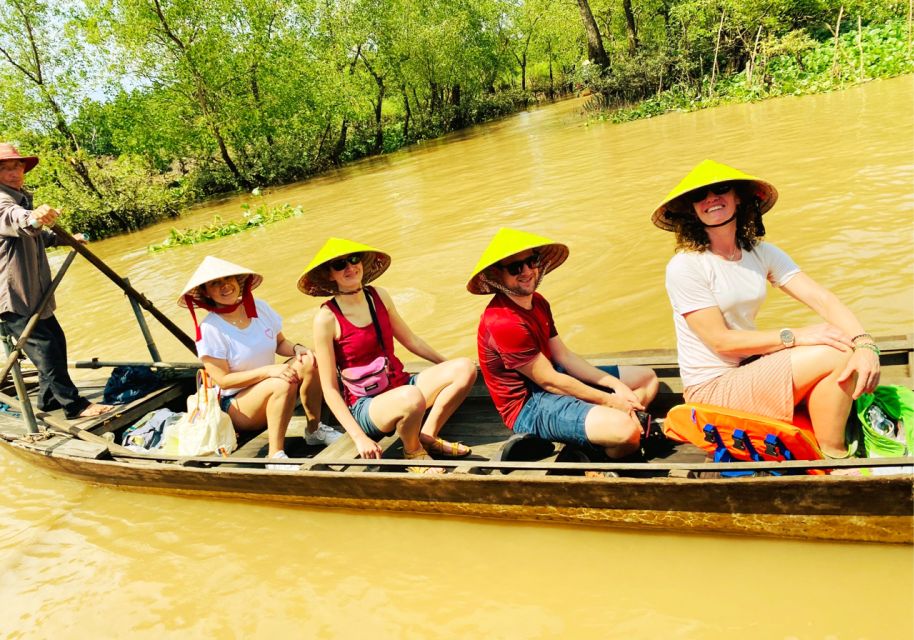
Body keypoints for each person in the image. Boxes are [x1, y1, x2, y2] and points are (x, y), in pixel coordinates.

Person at [652, 159, 880, 458]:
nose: (710, 199)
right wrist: (795, 336)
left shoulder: (759, 253)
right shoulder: (686, 265)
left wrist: (865, 344)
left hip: (749, 368)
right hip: (713, 388)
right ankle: (835, 458)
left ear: (738, 198)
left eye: (720, 189)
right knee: (836, 350)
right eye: (699, 196)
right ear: (692, 209)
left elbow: (821, 298)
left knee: (842, 341)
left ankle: (829, 451)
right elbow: (720, 341)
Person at [468, 228, 659, 460]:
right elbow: (550, 381)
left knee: (647, 379)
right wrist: (611, 401)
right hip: (529, 406)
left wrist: (615, 386)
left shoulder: (537, 302)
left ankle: (587, 439)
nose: (527, 271)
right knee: (627, 432)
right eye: (515, 267)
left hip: (553, 378)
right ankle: (593, 451)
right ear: (496, 277)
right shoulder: (502, 321)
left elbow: (564, 357)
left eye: (532, 261)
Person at [302, 238, 477, 474]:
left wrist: (448, 366)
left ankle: (427, 435)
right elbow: (330, 389)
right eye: (340, 264)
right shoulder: (326, 318)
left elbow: (412, 340)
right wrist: (358, 438)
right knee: (411, 396)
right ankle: (412, 451)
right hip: (367, 406)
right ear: (330, 275)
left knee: (465, 368)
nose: (350, 268)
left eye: (354, 260)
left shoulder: (378, 296)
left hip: (401, 384)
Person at [178, 256, 338, 469]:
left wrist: (298, 349)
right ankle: (275, 455)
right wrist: (269, 371)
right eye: (216, 283)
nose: (225, 286)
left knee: (309, 360)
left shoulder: (259, 308)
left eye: (229, 279)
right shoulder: (210, 328)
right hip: (236, 405)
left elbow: (280, 343)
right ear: (206, 292)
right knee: (282, 381)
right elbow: (223, 380)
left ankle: (314, 429)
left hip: (270, 384)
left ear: (238, 281)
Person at [0, 142, 112, 419]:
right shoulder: (4, 202)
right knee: (46, 349)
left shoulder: (19, 197)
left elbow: (38, 234)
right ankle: (74, 406)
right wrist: (34, 217)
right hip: (12, 297)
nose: (14, 172)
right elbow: (18, 221)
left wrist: (66, 239)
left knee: (56, 343)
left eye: (17, 166)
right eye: (5, 168)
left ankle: (48, 400)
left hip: (34, 294)